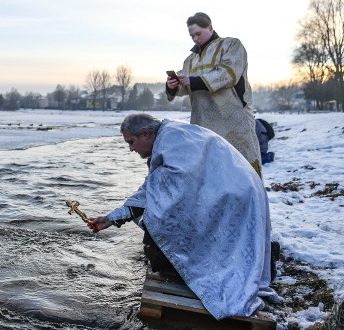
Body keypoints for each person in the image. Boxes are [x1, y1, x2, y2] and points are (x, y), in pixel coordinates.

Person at [87, 113, 278, 320]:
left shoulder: (172, 142)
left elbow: (157, 196)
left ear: (145, 133)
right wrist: (111, 218)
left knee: (160, 225)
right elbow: (153, 189)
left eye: (131, 142)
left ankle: (188, 269)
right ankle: (262, 256)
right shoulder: (170, 135)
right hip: (235, 189)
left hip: (234, 195)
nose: (131, 149)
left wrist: (119, 219)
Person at [166, 12, 262, 177]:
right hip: (202, 123)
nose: (195, 39)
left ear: (210, 27)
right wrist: (173, 85)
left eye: (198, 33)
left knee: (242, 168)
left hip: (233, 120)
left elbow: (229, 74)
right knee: (210, 172)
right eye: (191, 36)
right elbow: (184, 86)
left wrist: (194, 81)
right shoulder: (190, 60)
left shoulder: (231, 45)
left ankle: (252, 201)